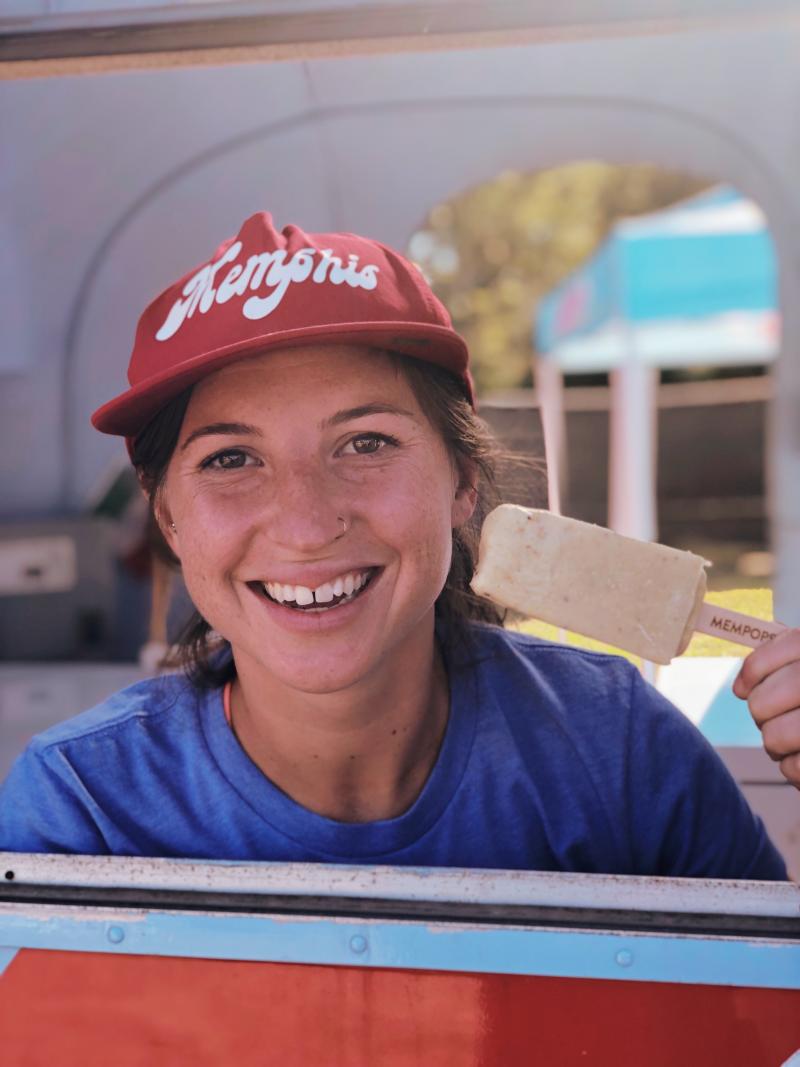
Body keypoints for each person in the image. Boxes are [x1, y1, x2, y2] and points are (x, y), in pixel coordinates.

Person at [0, 212, 796, 877]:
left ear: (463, 482)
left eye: (367, 443)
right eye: (231, 459)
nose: (307, 524)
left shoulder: (622, 750)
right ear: (168, 519)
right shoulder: (82, 809)